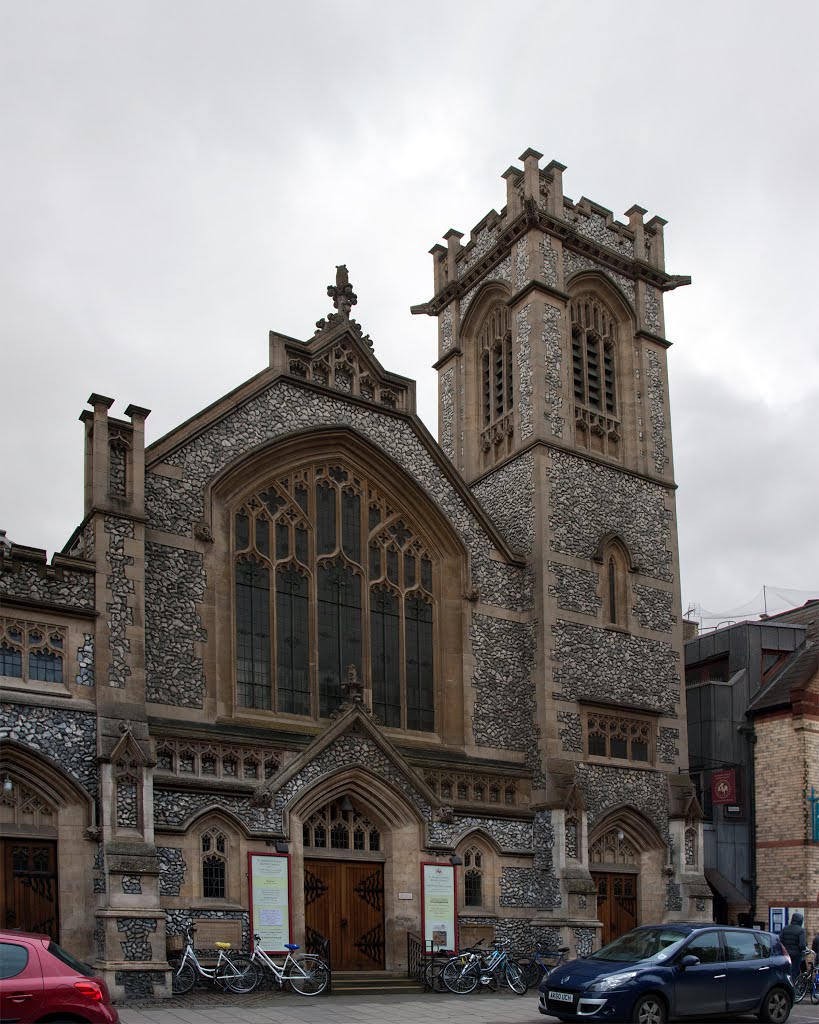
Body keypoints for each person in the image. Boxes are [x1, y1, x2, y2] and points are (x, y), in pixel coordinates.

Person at [780, 912, 807, 983]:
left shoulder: (785, 928)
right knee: (794, 972)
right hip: (796, 955)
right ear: (800, 920)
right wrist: (803, 951)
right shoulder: (801, 930)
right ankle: (793, 990)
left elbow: (780, 941)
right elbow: (802, 945)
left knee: (786, 972)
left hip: (785, 955)